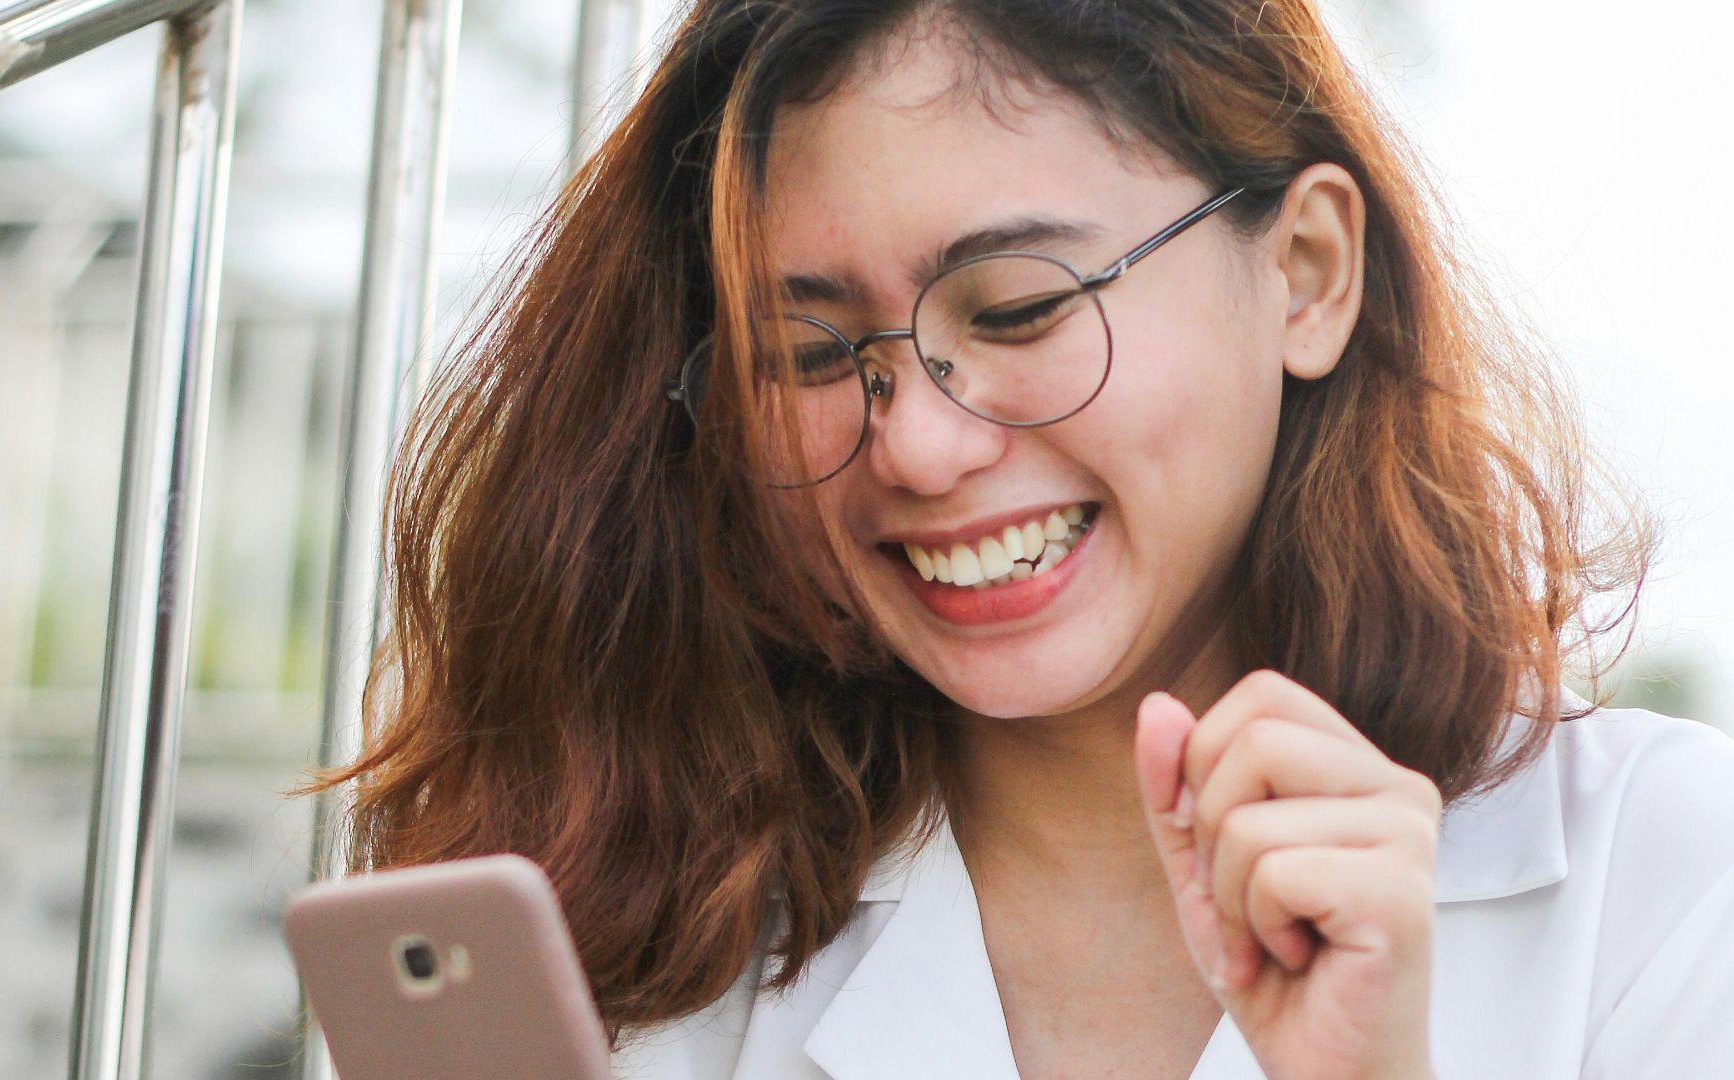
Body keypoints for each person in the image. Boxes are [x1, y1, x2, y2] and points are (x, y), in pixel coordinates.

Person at [311, 0, 1734, 1076]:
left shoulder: (1668, 876)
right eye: (809, 354)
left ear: (1307, 272)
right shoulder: (626, 914)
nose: (919, 447)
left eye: (1017, 311)